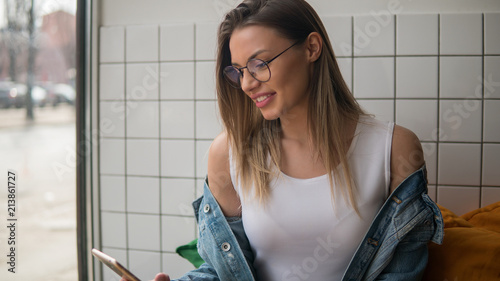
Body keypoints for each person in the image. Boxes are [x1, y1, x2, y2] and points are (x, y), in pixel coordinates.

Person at [122, 0, 443, 280]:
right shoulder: (228, 154)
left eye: (259, 64)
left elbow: (401, 272)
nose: (247, 83)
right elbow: (221, 272)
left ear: (311, 48)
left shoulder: (393, 149)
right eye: (238, 71)